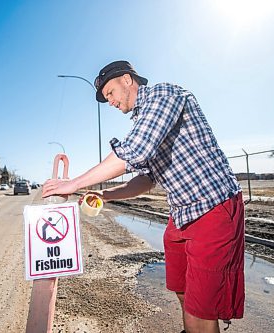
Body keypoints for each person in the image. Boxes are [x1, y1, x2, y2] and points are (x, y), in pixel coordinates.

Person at [42, 60, 245, 333]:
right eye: (106, 99)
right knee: (182, 289)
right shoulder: (143, 119)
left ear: (127, 79)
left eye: (110, 93)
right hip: (182, 214)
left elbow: (133, 151)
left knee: (201, 308)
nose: (110, 102)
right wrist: (105, 194)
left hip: (213, 207)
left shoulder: (164, 95)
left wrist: (72, 183)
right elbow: (146, 179)